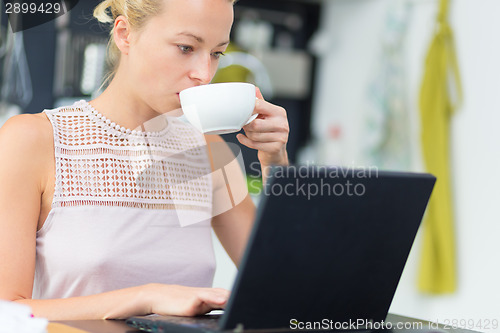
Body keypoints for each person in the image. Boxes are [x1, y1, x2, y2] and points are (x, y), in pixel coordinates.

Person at [0, 0, 289, 320]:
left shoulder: (207, 151)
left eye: (216, 53)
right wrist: (146, 296)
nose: (204, 74)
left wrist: (274, 163)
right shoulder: (33, 140)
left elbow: (284, 289)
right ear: (124, 35)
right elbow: (6, 311)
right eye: (185, 47)